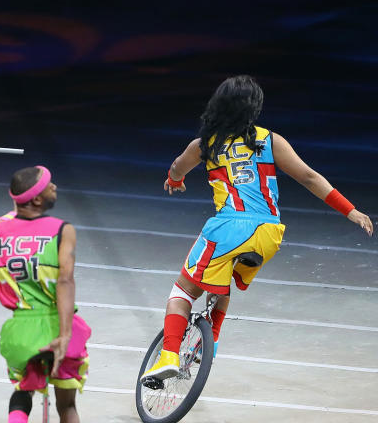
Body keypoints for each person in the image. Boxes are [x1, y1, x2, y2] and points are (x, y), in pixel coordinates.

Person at [142, 75, 373, 381]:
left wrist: (175, 179)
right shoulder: (270, 140)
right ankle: (210, 341)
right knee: (221, 281)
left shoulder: (204, 145)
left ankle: (169, 355)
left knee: (182, 290)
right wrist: (351, 211)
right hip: (268, 234)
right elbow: (309, 177)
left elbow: (176, 167)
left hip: (229, 228)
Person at [0, 166, 90, 423]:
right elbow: (65, 282)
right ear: (37, 198)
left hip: (20, 330)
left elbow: (2, 223)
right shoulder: (63, 231)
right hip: (54, 325)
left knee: (23, 389)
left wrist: (16, 205)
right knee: (67, 406)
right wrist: (63, 335)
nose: (55, 187)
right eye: (49, 186)